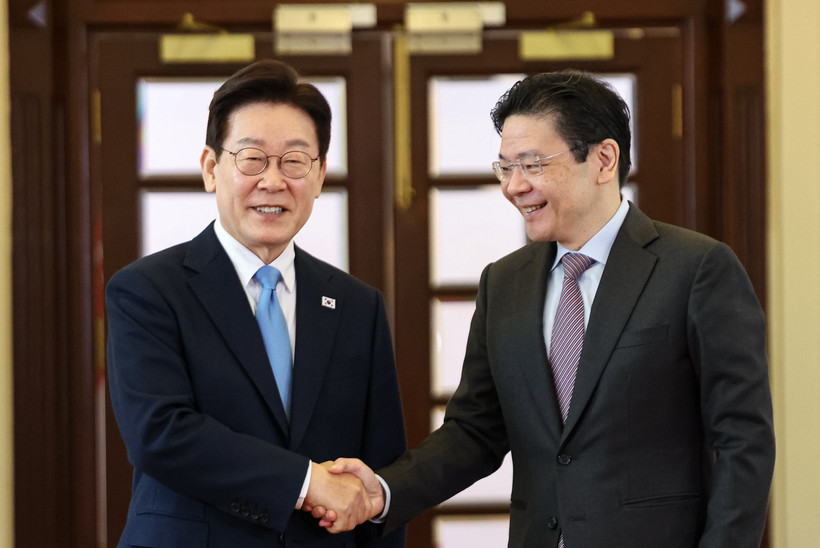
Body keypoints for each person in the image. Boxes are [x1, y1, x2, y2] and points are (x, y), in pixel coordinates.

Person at [317, 70, 775, 547]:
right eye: (505, 167)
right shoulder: (503, 283)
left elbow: (744, 442)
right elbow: (475, 431)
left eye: (532, 165)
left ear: (603, 159)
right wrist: (385, 491)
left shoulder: (696, 269)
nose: (513, 187)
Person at [105, 59, 406, 548]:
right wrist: (306, 481)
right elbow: (160, 434)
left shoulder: (357, 305)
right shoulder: (147, 290)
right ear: (211, 168)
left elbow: (380, 471)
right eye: (252, 158)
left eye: (294, 161)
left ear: (320, 175)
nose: (273, 181)